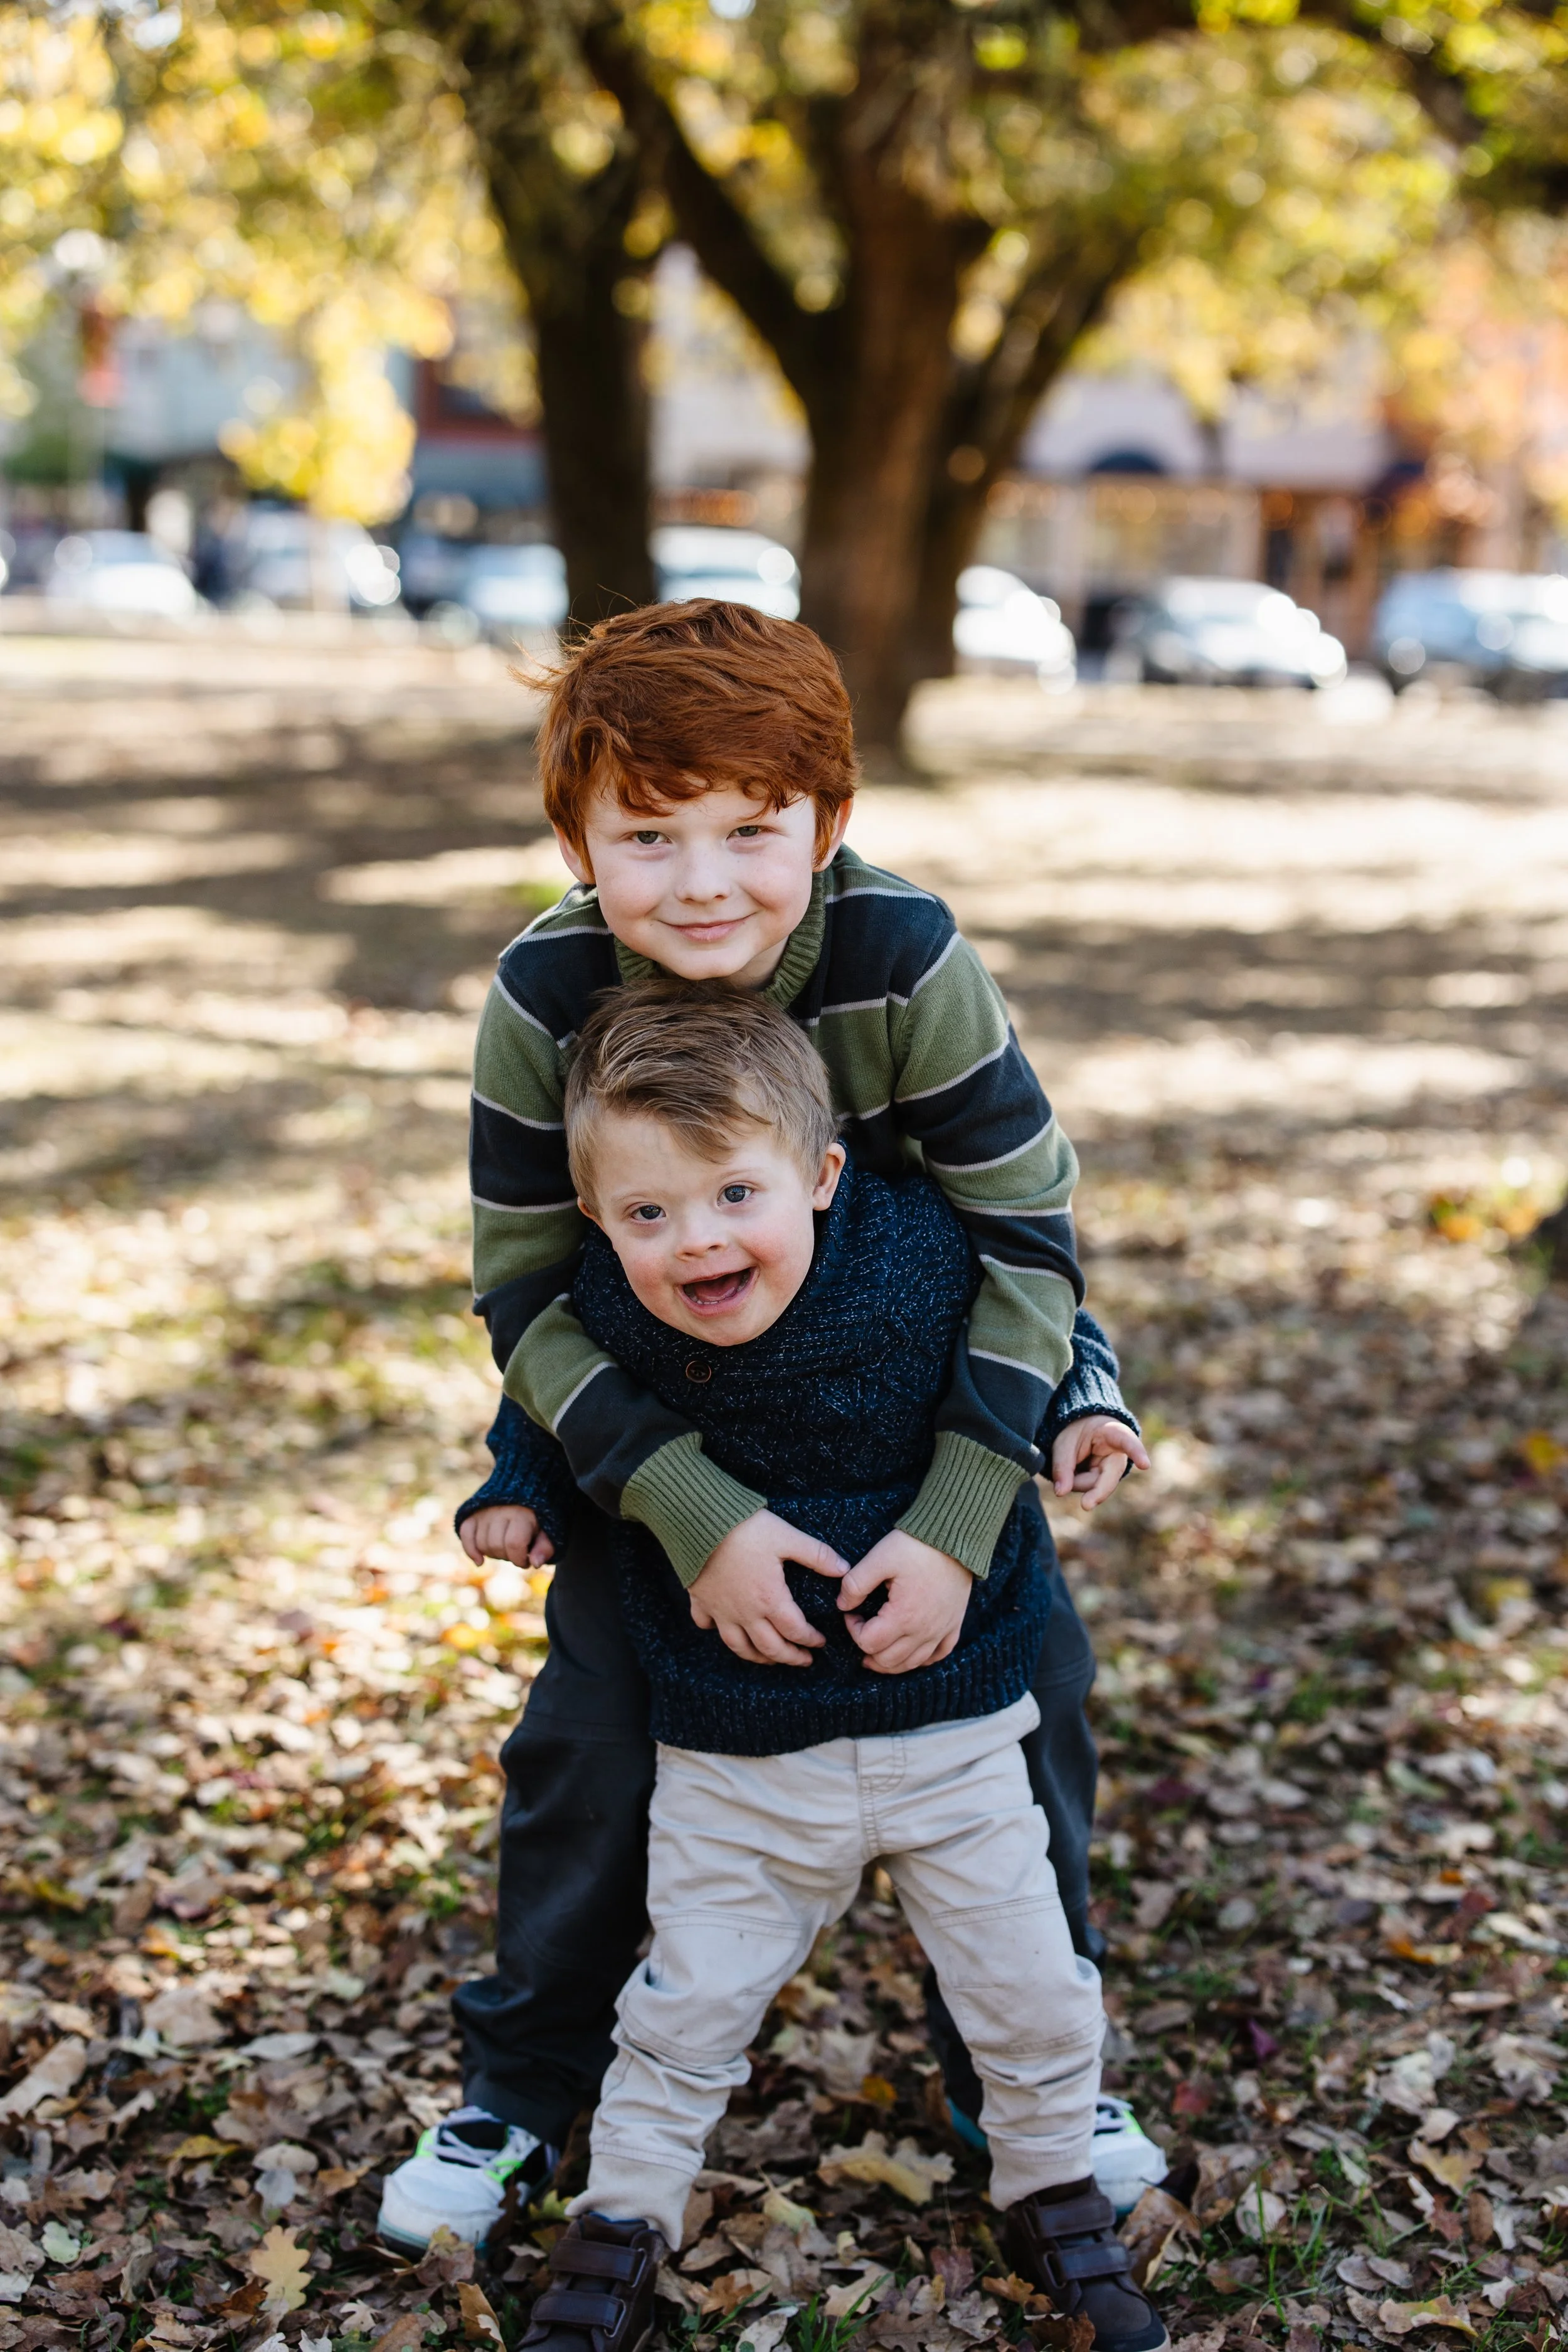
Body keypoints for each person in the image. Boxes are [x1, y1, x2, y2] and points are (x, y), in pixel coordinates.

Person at [376, 600, 1164, 2257]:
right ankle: (522, 2085)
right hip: (667, 1408)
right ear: (579, 842)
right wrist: (681, 1505)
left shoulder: (901, 957)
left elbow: (1025, 1240)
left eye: (753, 828)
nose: (705, 878)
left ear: (829, 823)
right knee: (591, 1733)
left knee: (1037, 1704)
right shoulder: (547, 983)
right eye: (648, 835)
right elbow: (524, 1286)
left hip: (918, 1411)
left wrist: (958, 1517)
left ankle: (1027, 2073)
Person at [520, 985, 1167, 2352]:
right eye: (646, 1215)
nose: (694, 1240)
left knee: (1031, 1984)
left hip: (954, 1728)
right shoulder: (614, 1311)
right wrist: (512, 1487)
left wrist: (1089, 1401)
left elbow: (1037, 1302)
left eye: (733, 1195)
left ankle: (1050, 2183)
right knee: (686, 2002)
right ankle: (624, 2211)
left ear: (819, 1177)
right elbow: (546, 1395)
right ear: (596, 1218)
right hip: (737, 1746)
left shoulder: (919, 1255)